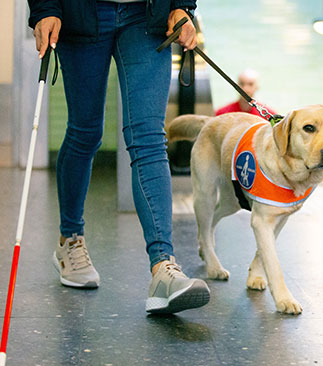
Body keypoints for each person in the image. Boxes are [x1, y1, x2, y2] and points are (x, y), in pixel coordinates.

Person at [28, 0, 210, 314]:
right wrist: (45, 8)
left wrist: (181, 5)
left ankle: (163, 267)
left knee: (148, 138)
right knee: (85, 133)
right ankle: (69, 240)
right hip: (82, 13)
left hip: (147, 14)